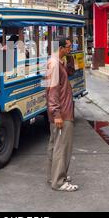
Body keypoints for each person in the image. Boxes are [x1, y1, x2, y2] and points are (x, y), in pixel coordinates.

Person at [46, 38, 78, 192]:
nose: (71, 48)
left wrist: (70, 57)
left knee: (55, 145)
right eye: (69, 46)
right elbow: (52, 91)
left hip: (60, 111)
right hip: (62, 113)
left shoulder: (59, 63)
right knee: (62, 147)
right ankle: (59, 181)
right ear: (61, 48)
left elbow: (71, 72)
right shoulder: (54, 65)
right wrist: (57, 113)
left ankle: (53, 176)